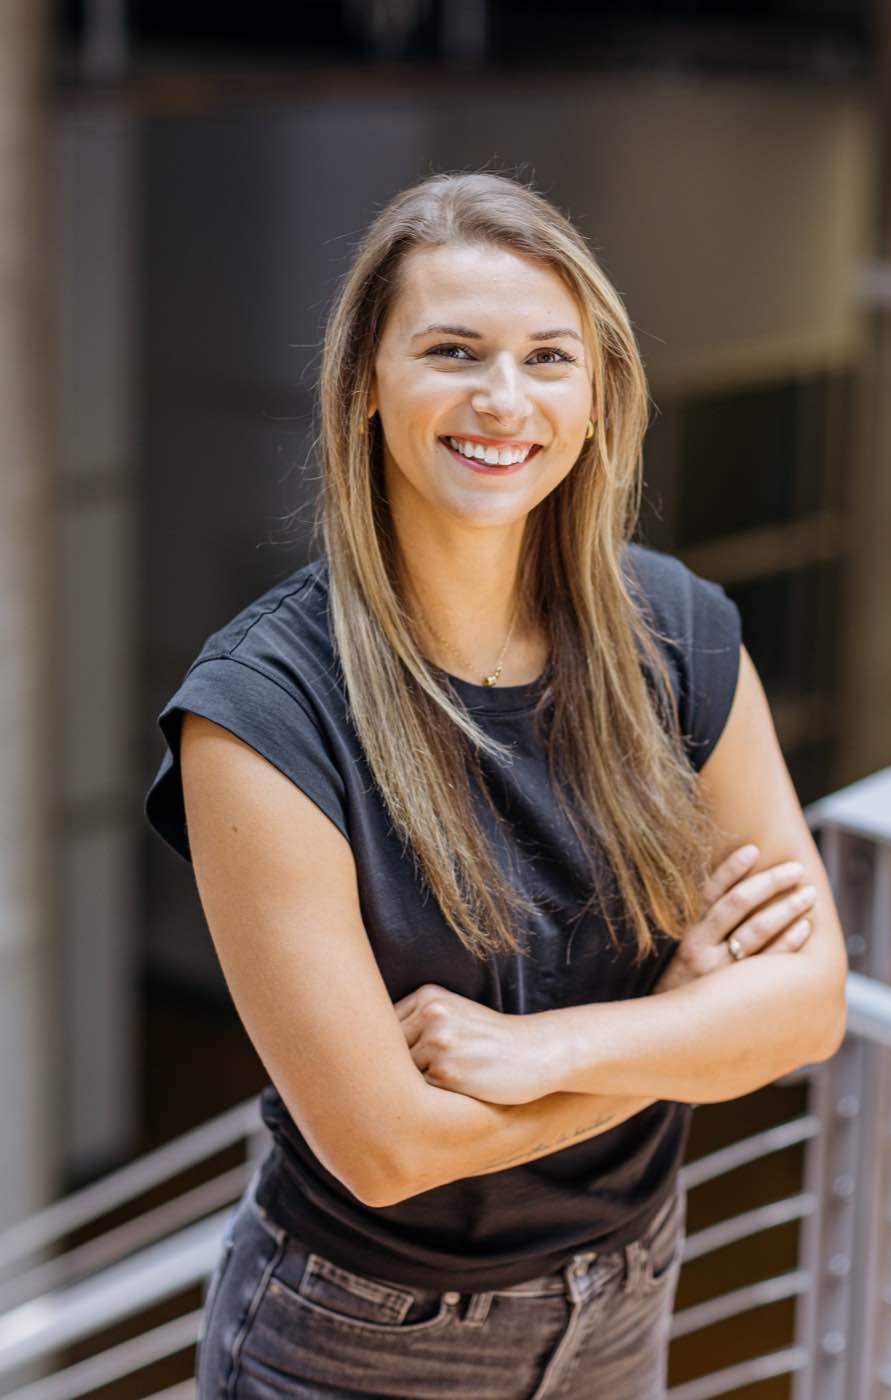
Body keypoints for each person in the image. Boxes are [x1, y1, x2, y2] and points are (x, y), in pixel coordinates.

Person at [144, 170, 848, 1399]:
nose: (502, 399)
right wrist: (683, 1035)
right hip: (358, 1342)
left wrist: (546, 1049)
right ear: (367, 383)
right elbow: (387, 1148)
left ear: (596, 397)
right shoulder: (261, 717)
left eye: (548, 359)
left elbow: (808, 1006)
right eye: (454, 350)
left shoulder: (676, 631)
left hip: (627, 1298)